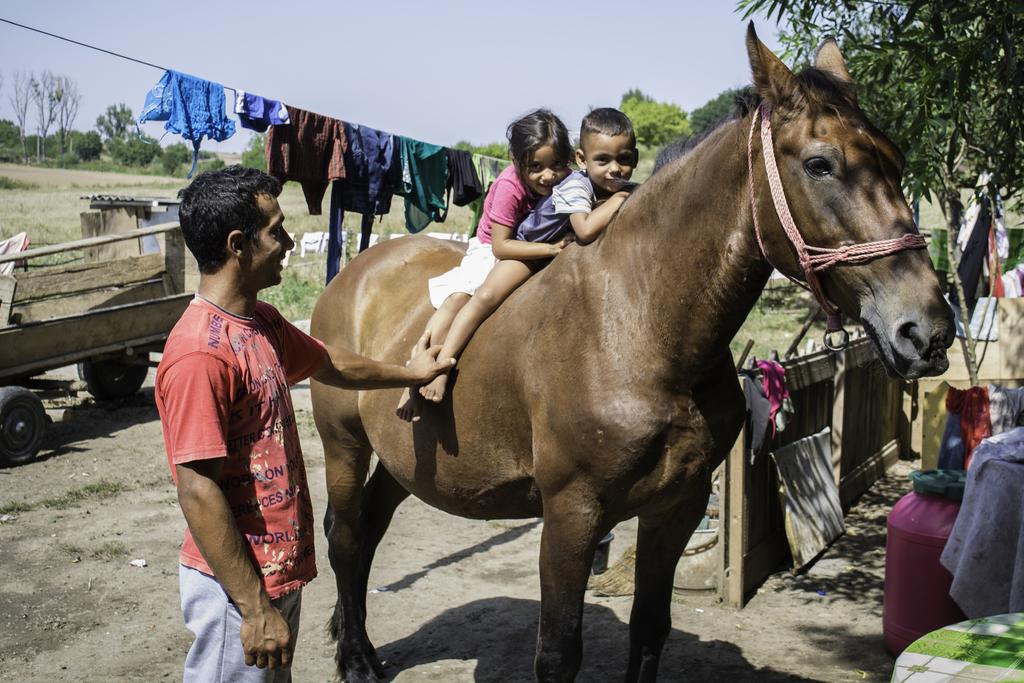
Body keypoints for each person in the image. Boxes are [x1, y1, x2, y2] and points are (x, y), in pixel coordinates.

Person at [155, 165, 453, 682]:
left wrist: (411, 371)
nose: (289, 241)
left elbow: (331, 362)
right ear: (237, 245)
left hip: (275, 576)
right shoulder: (200, 356)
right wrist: (253, 608)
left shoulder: (260, 323)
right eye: (275, 230)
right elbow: (197, 490)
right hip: (237, 588)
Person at [396, 109, 574, 418]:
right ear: (517, 161)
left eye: (557, 165)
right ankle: (422, 375)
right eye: (536, 167)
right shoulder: (509, 186)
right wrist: (550, 249)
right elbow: (501, 246)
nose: (548, 175)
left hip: (530, 246)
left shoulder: (569, 182)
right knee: (461, 300)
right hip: (494, 250)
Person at [551, 107, 638, 244]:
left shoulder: (616, 186)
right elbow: (585, 231)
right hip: (531, 247)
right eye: (603, 159)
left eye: (624, 159)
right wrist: (621, 197)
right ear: (582, 160)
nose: (615, 168)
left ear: (635, 159)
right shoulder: (575, 186)